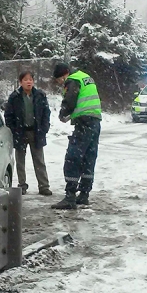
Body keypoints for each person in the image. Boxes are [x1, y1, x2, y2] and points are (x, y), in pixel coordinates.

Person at [51, 62, 102, 210]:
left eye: (60, 80)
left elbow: (71, 100)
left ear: (64, 74)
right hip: (95, 122)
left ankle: (70, 196)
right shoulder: (85, 77)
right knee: (89, 158)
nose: (61, 83)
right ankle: (84, 194)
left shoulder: (73, 80)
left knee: (73, 158)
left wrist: (63, 112)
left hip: (83, 123)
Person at [4, 71, 52, 196]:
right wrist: (13, 130)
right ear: (21, 82)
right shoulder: (15, 97)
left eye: (30, 79)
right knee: (20, 161)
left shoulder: (40, 95)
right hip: (20, 132)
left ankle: (44, 186)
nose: (29, 82)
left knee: (39, 160)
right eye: (25, 80)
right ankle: (22, 185)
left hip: (36, 132)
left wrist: (44, 128)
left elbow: (46, 113)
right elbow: (8, 115)